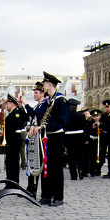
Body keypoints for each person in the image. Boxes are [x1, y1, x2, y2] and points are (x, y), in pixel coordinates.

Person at [28, 72, 69, 205]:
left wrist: (44, 127)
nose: (43, 86)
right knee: (46, 166)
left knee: (56, 167)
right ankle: (46, 194)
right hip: (47, 136)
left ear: (49, 84)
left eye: (44, 84)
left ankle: (58, 197)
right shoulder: (49, 101)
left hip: (56, 136)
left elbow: (63, 121)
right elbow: (38, 113)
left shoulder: (60, 100)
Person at [3, 94, 28, 186]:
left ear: (12, 104)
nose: (6, 106)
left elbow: (18, 124)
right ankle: (10, 182)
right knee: (10, 163)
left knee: (12, 163)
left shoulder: (16, 113)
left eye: (7, 103)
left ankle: (12, 183)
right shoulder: (13, 113)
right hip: (11, 140)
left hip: (13, 141)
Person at [64, 98, 86, 180]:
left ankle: (73, 175)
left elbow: (64, 128)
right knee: (81, 156)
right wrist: (85, 138)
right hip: (80, 138)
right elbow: (85, 127)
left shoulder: (66, 116)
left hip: (69, 138)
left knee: (71, 157)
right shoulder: (81, 116)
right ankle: (80, 170)